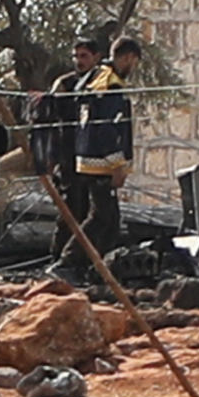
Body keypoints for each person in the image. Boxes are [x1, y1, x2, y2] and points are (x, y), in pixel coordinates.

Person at [35, 31, 135, 269]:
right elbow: (102, 128)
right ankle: (63, 263)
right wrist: (118, 163)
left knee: (107, 218)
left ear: (96, 56)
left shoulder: (94, 79)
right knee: (80, 213)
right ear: (129, 58)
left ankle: (97, 265)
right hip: (81, 159)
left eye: (84, 55)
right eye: (76, 56)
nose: (78, 61)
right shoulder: (93, 83)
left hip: (87, 157)